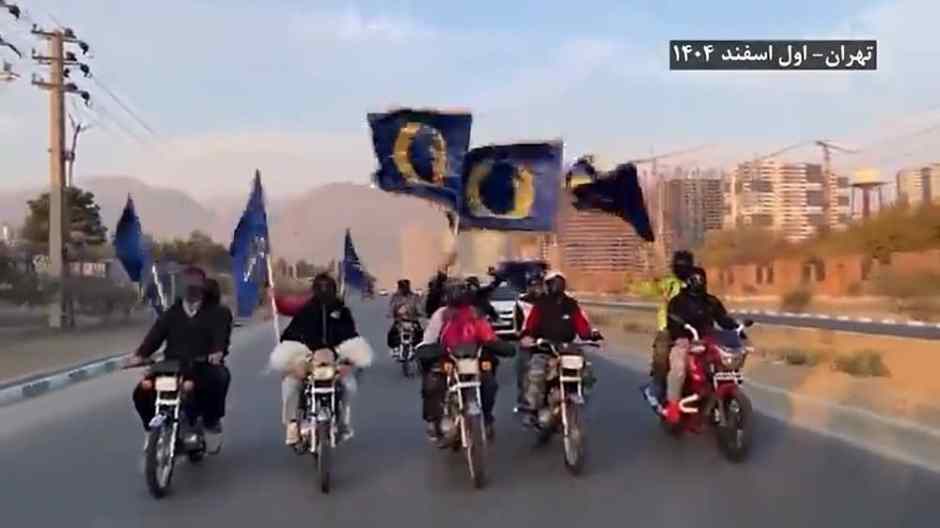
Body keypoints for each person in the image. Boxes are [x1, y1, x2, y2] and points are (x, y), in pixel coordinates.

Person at [126, 266, 229, 451]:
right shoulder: (171, 313)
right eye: (187, 286)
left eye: (195, 286)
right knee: (142, 391)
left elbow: (220, 336)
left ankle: (211, 422)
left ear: (203, 288)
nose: (191, 291)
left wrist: (217, 352)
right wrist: (140, 355)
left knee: (220, 377)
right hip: (172, 366)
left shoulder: (218, 312)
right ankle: (153, 430)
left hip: (202, 365)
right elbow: (155, 336)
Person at [268, 273, 374, 445]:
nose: (324, 291)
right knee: (290, 384)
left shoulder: (342, 312)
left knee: (349, 386)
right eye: (320, 287)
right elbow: (291, 335)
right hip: (308, 359)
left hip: (335, 360)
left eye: (328, 287)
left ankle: (343, 423)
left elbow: (351, 336)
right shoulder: (305, 311)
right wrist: (294, 364)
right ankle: (292, 424)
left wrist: (348, 362)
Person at [416, 280, 514, 443]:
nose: (458, 296)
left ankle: (487, 417)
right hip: (448, 360)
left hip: (473, 359)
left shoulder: (475, 314)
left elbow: (488, 336)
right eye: (454, 292)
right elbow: (429, 339)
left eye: (461, 292)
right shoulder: (441, 315)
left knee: (489, 383)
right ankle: (434, 421)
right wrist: (429, 350)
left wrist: (497, 345)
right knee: (432, 383)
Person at [518, 271, 601, 421]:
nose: (556, 285)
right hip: (545, 349)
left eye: (559, 282)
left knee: (586, 371)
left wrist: (591, 335)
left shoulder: (571, 304)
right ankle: (533, 409)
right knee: (536, 373)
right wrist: (527, 336)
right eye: (553, 282)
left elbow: (582, 327)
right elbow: (530, 325)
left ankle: (576, 393)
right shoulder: (541, 304)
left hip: (568, 350)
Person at [663, 267, 739, 425]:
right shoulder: (677, 301)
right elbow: (672, 320)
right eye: (695, 279)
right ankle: (673, 405)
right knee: (679, 368)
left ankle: (720, 395)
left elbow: (723, 319)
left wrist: (737, 329)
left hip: (707, 339)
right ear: (688, 281)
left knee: (724, 363)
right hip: (684, 340)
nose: (699, 282)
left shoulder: (711, 301)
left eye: (701, 279)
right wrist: (681, 331)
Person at [650, 250, 695, 400]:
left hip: (692, 327)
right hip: (668, 326)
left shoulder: (695, 281)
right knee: (662, 354)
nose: (683, 268)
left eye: (686, 265)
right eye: (680, 265)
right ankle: (658, 384)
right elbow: (653, 288)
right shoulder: (668, 283)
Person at [513, 274, 546, 407]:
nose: (537, 288)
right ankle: (523, 398)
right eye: (533, 285)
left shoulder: (550, 300)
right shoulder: (522, 302)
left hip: (546, 341)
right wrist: (521, 336)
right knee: (523, 369)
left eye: (539, 285)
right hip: (528, 341)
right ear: (528, 287)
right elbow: (517, 324)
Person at [387, 279, 423, 356]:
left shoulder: (414, 297)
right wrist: (391, 314)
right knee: (391, 334)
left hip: (412, 320)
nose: (404, 288)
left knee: (420, 333)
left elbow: (419, 308)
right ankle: (395, 348)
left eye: (405, 286)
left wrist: (420, 313)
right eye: (402, 287)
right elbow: (391, 308)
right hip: (399, 321)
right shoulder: (395, 297)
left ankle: (418, 348)